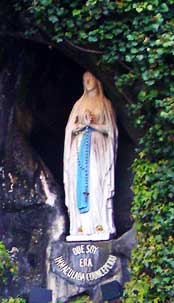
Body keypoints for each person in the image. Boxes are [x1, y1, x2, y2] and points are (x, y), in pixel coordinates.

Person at [63, 71, 118, 241]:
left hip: (98, 151)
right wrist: (82, 126)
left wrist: (93, 125)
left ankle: (98, 224)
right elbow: (69, 130)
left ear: (97, 80)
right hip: (78, 151)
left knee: (95, 184)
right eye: (84, 79)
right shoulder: (78, 105)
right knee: (78, 185)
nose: (87, 81)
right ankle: (80, 227)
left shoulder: (105, 104)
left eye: (90, 78)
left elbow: (111, 130)